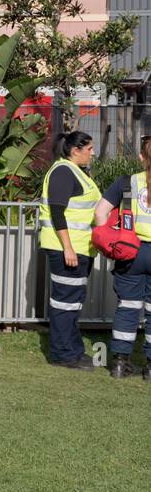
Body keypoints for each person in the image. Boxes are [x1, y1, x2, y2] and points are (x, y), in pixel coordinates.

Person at [39, 131, 100, 371]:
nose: (92, 153)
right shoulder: (63, 172)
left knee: (73, 303)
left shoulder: (74, 171)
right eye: (89, 149)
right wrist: (68, 248)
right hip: (67, 249)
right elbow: (57, 212)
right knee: (65, 303)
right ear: (75, 150)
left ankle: (72, 351)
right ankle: (63, 354)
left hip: (79, 247)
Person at [94, 133, 151, 380]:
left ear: (141, 157)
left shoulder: (127, 183)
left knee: (127, 307)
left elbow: (100, 212)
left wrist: (111, 241)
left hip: (131, 252)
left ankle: (119, 362)